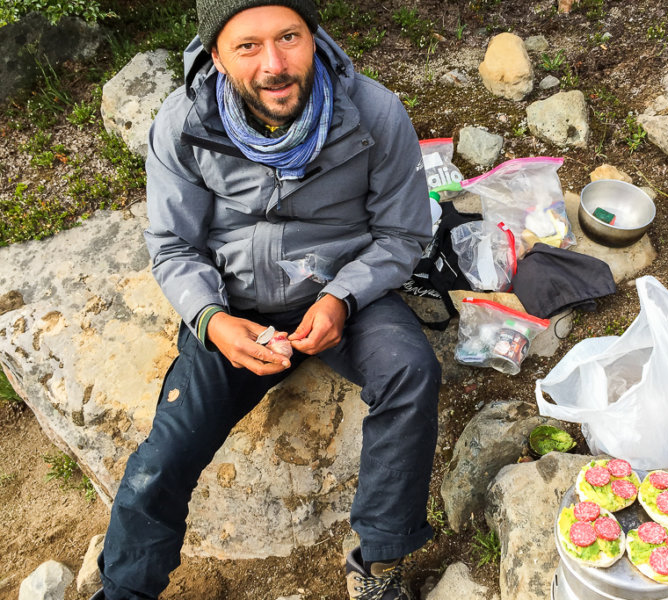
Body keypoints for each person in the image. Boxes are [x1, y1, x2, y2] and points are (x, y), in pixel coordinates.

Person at [92, 1, 440, 599]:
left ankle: (380, 565)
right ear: (216, 55)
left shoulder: (373, 112)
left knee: (411, 370)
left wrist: (342, 299)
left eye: (288, 37)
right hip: (234, 304)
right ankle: (124, 591)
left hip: (345, 291)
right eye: (247, 46)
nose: (274, 64)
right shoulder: (184, 121)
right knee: (166, 450)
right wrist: (211, 319)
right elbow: (173, 246)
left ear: (314, 36)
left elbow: (403, 235)